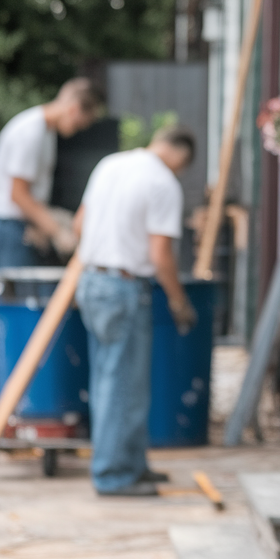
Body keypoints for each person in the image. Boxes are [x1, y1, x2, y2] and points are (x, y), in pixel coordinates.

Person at [74, 125, 199, 497]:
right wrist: (179, 301)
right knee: (123, 387)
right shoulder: (163, 183)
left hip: (92, 282)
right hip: (124, 288)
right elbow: (161, 255)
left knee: (110, 381)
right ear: (181, 155)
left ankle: (131, 465)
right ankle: (114, 475)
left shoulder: (110, 164)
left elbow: (80, 224)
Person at [0, 77, 101, 269]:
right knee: (15, 288)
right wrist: (57, 231)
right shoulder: (31, 132)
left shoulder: (45, 131)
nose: (79, 130)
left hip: (16, 224)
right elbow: (18, 195)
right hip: (6, 226)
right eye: (79, 125)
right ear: (74, 109)